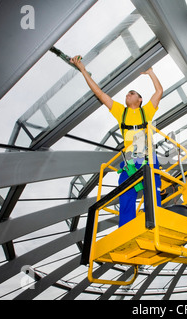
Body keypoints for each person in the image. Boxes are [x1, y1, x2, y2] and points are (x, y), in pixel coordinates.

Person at [70, 55, 163, 227]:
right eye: (127, 94)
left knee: (152, 188)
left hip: (147, 157)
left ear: (140, 100)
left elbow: (159, 92)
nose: (127, 94)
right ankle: (126, 226)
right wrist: (83, 70)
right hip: (130, 160)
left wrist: (150, 73)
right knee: (125, 192)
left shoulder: (147, 111)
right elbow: (99, 93)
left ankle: (153, 219)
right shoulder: (121, 112)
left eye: (132, 93)